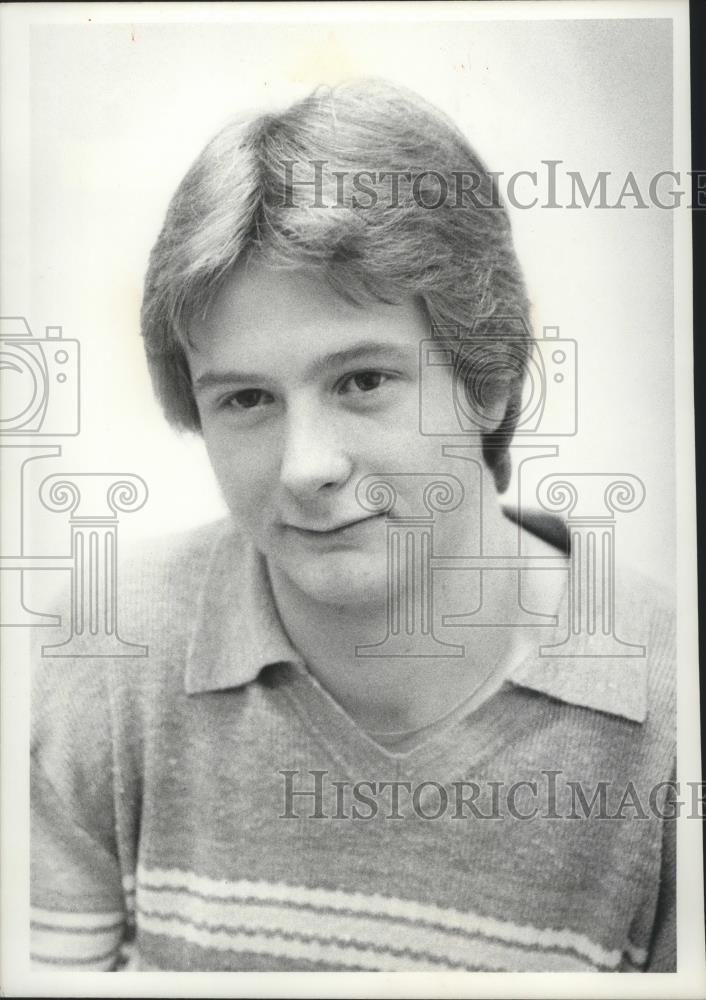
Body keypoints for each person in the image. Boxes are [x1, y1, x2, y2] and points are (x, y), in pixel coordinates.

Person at [31, 79, 675, 972]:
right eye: (247, 399)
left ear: (487, 377)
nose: (306, 467)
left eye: (363, 380)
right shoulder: (106, 654)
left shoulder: (669, 712)